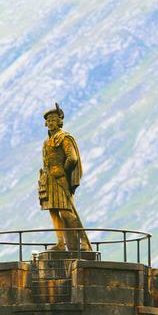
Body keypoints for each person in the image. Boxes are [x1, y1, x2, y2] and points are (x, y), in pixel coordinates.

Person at [38, 103, 92, 251]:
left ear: (59, 121)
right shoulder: (47, 142)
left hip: (60, 179)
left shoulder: (64, 138)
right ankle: (61, 243)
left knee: (66, 212)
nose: (50, 123)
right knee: (53, 211)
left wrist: (64, 171)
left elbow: (72, 158)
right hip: (48, 180)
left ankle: (84, 243)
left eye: (53, 120)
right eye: (48, 120)